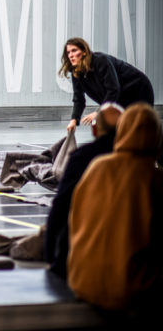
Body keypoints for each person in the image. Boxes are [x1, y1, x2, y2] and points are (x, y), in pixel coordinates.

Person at [67, 103, 163, 311]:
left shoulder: (97, 167)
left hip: (82, 281)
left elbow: (74, 222)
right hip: (130, 290)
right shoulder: (153, 180)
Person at [45, 102, 123, 278]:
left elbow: (60, 206)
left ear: (95, 130)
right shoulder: (143, 163)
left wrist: (50, 254)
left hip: (86, 258)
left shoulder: (82, 157)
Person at [60, 37, 154, 132]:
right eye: (68, 52)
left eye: (74, 51)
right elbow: (79, 99)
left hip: (138, 91)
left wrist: (99, 112)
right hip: (120, 97)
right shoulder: (76, 72)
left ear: (84, 51)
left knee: (134, 129)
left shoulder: (101, 61)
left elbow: (113, 89)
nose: (71, 55)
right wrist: (74, 120)